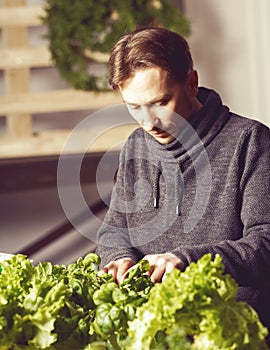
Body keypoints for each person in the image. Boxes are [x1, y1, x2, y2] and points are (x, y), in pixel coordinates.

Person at [95, 26, 270, 338]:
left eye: (161, 101)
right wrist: (118, 258)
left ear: (191, 82)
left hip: (229, 332)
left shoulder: (250, 140)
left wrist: (186, 260)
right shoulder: (135, 146)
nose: (149, 121)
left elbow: (265, 244)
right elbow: (114, 230)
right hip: (152, 332)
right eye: (134, 107)